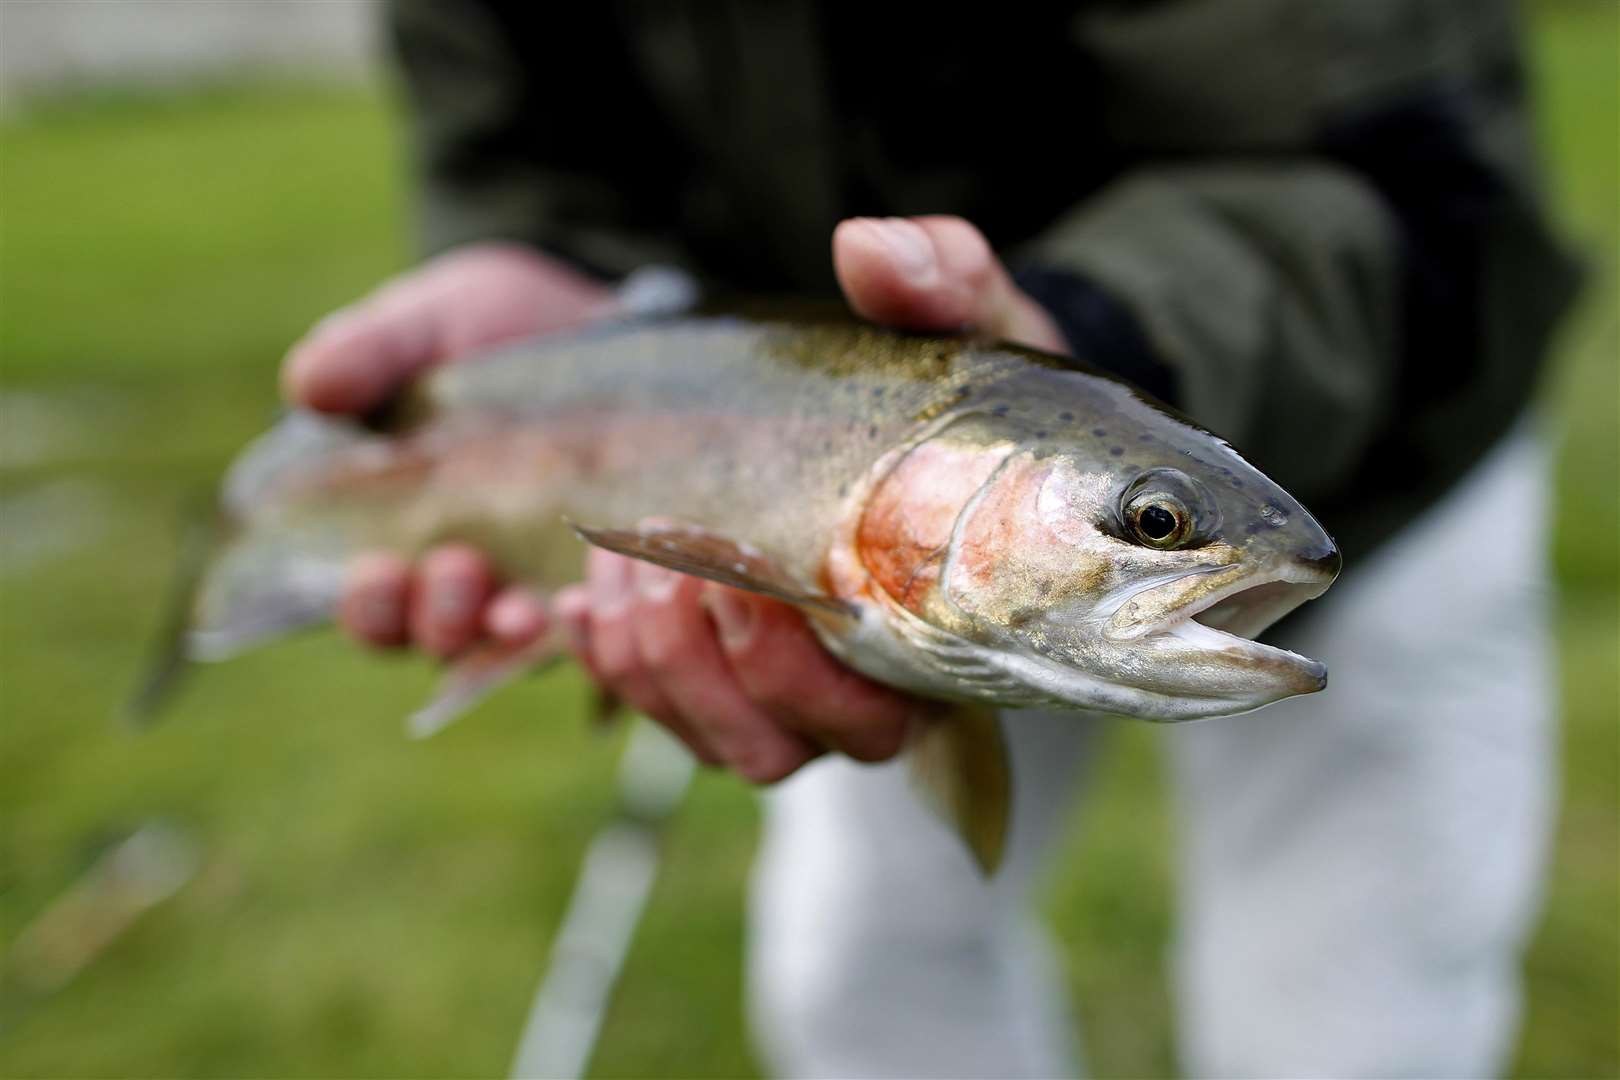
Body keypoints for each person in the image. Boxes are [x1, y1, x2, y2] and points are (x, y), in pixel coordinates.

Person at [281, 2, 1579, 1075]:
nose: (1156, 537)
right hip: (887, 491)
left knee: (1349, 1028)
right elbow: (513, 133)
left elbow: (1363, 154)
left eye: (1152, 531)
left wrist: (1088, 343)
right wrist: (541, 260)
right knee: (862, 985)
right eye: (1152, 531)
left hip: (1400, 382)